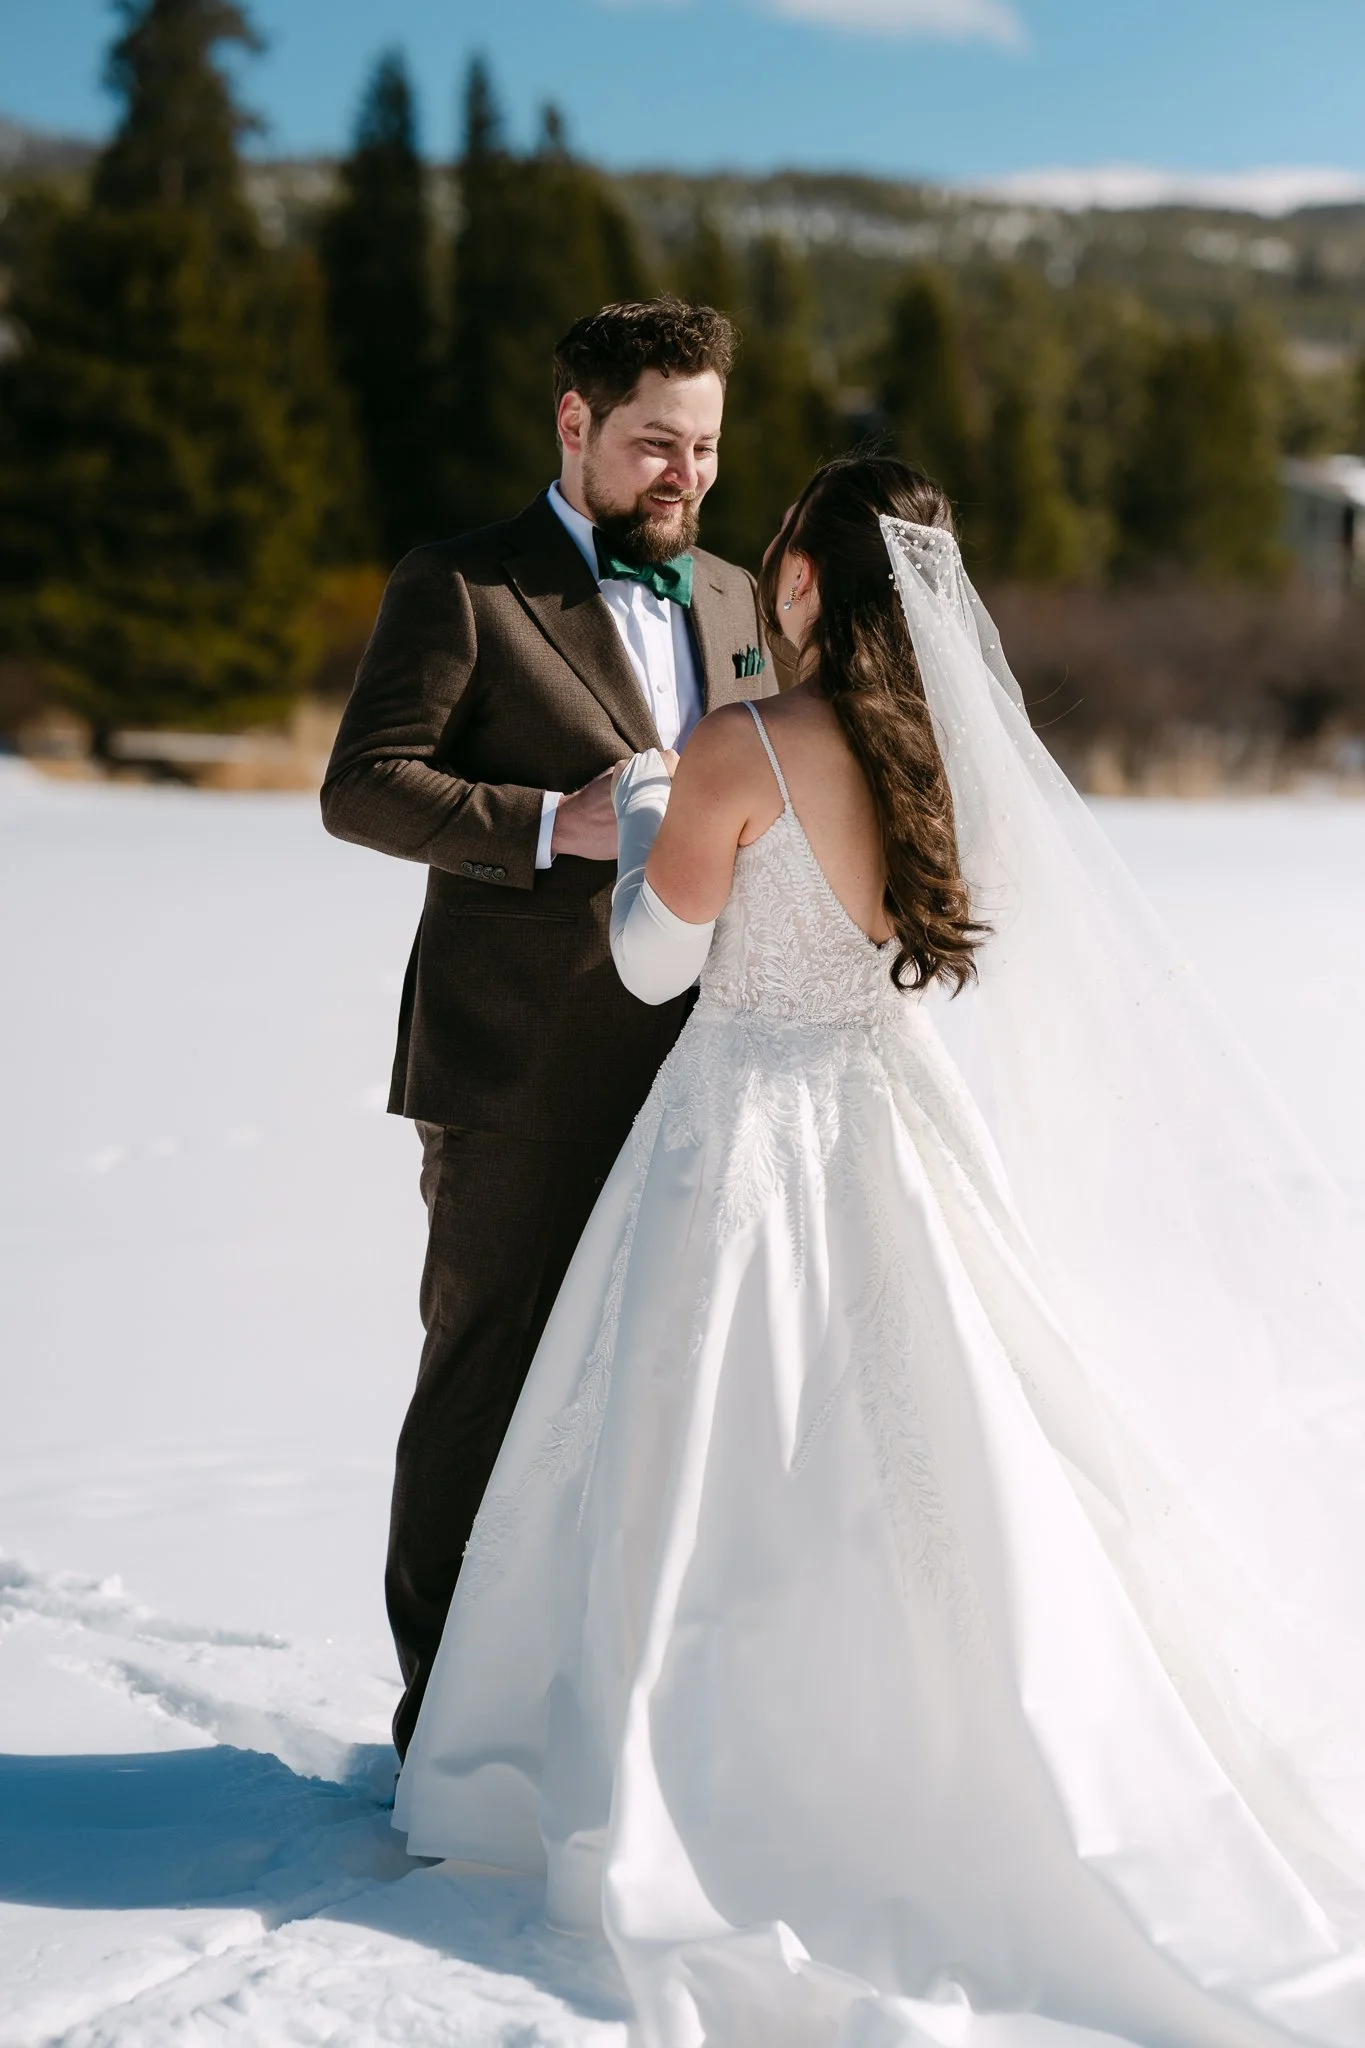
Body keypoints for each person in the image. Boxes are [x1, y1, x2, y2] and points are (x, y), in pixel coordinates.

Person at [393, 452, 1365, 2047]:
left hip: (742, 1131)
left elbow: (654, 966)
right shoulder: (935, 763)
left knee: (705, 1446)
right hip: (892, 1117)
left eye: (777, 552)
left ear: (804, 583)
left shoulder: (741, 743)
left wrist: (644, 818)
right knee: (940, 1435)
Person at [320, 297, 776, 1760]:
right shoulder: (460, 585)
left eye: (703, 448)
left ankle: (614, 1721)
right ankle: (441, 1735)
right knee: (489, 1376)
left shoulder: (734, 598)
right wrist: (543, 823)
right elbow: (364, 783)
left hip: (706, 1071)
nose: (684, 477)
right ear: (574, 426)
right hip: (515, 1071)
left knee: (663, 1391)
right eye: (655, 444)